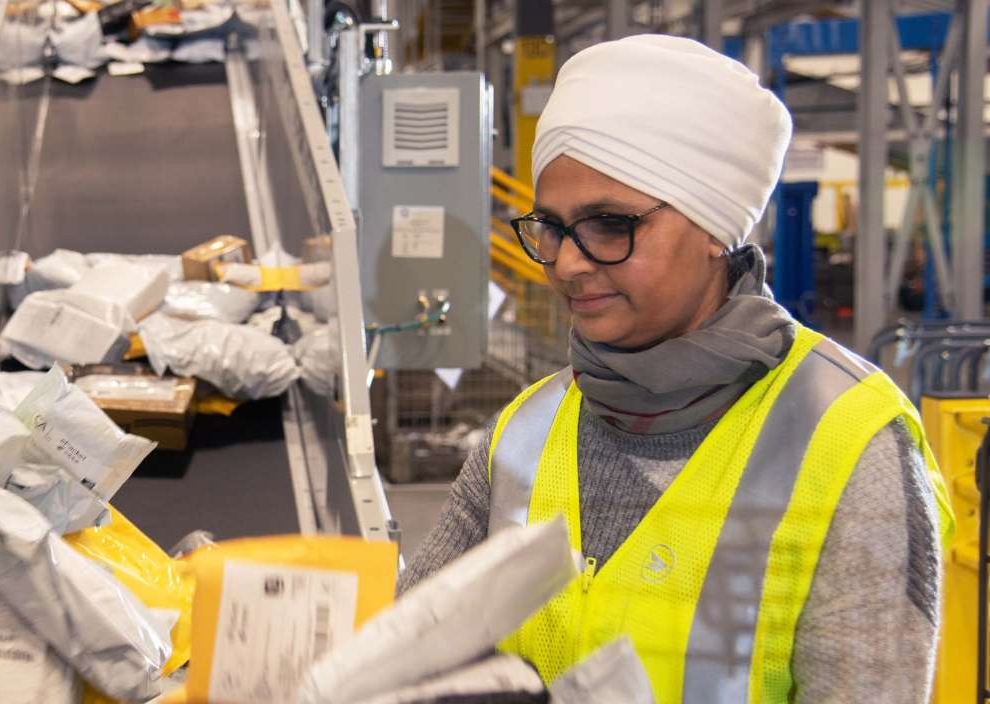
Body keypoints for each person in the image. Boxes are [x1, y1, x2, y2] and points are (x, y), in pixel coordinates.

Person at [401, 35, 953, 703]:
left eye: (609, 225)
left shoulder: (850, 444)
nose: (569, 263)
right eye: (550, 226)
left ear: (715, 227)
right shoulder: (524, 433)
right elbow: (407, 645)